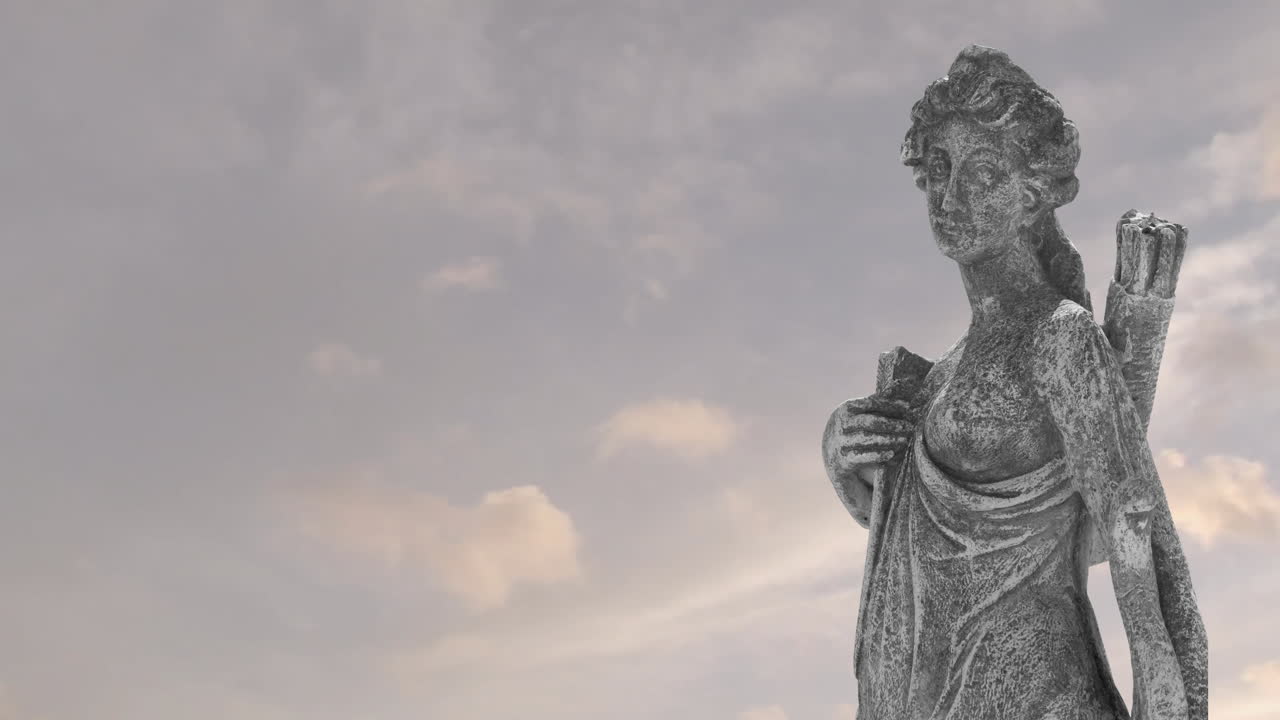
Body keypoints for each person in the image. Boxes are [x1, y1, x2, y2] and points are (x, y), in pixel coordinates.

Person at [821, 46, 1206, 720]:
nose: (951, 197)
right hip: (936, 694)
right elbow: (930, 540)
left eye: (982, 173)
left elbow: (1134, 539)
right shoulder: (937, 377)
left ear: (1032, 193)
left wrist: (1178, 706)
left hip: (1041, 694)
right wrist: (840, 456)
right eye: (940, 169)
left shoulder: (1059, 337)